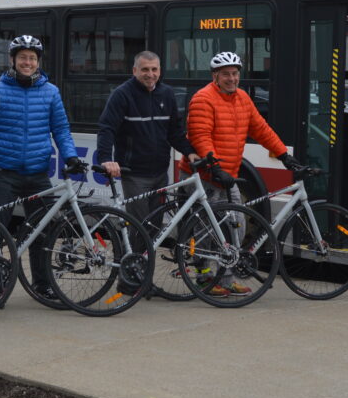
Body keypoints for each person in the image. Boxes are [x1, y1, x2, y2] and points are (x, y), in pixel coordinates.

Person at [0, 35, 85, 300]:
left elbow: (61, 130)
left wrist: (70, 157)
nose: (27, 62)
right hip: (4, 173)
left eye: (32, 58)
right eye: (23, 57)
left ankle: (42, 284)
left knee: (42, 232)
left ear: (38, 62)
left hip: (37, 173)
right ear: (12, 60)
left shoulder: (50, 92)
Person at [180, 51, 302, 297]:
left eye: (235, 74)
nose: (232, 79)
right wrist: (214, 167)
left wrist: (283, 156)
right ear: (215, 76)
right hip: (205, 176)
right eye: (226, 74)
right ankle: (204, 278)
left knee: (236, 224)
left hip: (228, 175)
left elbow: (261, 129)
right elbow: (199, 136)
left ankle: (226, 278)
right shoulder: (203, 99)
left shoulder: (243, 98)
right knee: (207, 229)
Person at [97, 51, 199, 222]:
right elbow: (107, 128)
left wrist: (189, 152)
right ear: (134, 71)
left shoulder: (167, 94)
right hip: (134, 174)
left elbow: (174, 131)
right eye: (145, 70)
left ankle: (146, 250)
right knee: (140, 226)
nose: (150, 75)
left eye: (154, 69)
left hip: (160, 172)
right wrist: (106, 159)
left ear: (160, 70)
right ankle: (134, 250)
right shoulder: (122, 95)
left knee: (155, 225)